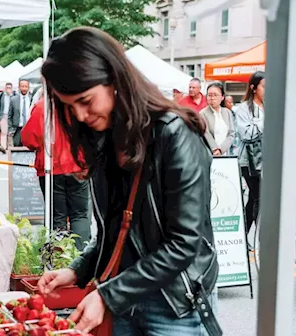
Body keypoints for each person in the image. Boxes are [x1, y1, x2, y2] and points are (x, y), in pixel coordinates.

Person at [36, 27, 218, 335]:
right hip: (125, 301)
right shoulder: (106, 137)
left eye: (85, 100)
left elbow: (182, 243)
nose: (79, 115)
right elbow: (119, 230)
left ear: (115, 80)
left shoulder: (175, 134)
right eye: (68, 106)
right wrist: (76, 270)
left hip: (173, 307)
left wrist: (108, 295)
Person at [21, 99, 91, 250]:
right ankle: (81, 256)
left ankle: (60, 258)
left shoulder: (42, 106)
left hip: (52, 167)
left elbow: (29, 139)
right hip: (77, 165)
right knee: (80, 215)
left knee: (57, 216)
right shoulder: (78, 102)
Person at [234, 71, 265, 236]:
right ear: (254, 88)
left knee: (255, 198)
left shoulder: (269, 106)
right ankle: (258, 236)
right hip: (249, 160)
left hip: (267, 160)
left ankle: (243, 236)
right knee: (258, 197)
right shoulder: (244, 108)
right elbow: (246, 134)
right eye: (264, 86)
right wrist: (264, 122)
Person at [199, 82, 234, 156]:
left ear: (222, 97)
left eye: (215, 95)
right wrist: (215, 149)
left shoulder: (227, 112)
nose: (212, 98)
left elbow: (231, 134)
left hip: (225, 153)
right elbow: (206, 133)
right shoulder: (203, 113)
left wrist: (221, 149)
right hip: (209, 153)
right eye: (209, 95)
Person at [8, 79, 32, 147]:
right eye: (22, 86)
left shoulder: (32, 99)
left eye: (26, 86)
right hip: (17, 129)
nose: (24, 88)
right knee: (17, 150)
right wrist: (10, 129)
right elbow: (10, 116)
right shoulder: (13, 100)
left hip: (29, 128)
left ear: (28, 87)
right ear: (19, 87)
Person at [0, 82, 14, 152]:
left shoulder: (14, 95)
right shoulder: (1, 95)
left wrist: (11, 95)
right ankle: (3, 146)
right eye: (7, 88)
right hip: (3, 115)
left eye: (10, 88)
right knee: (3, 131)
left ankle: (10, 147)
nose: (8, 89)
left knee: (10, 132)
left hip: (11, 116)